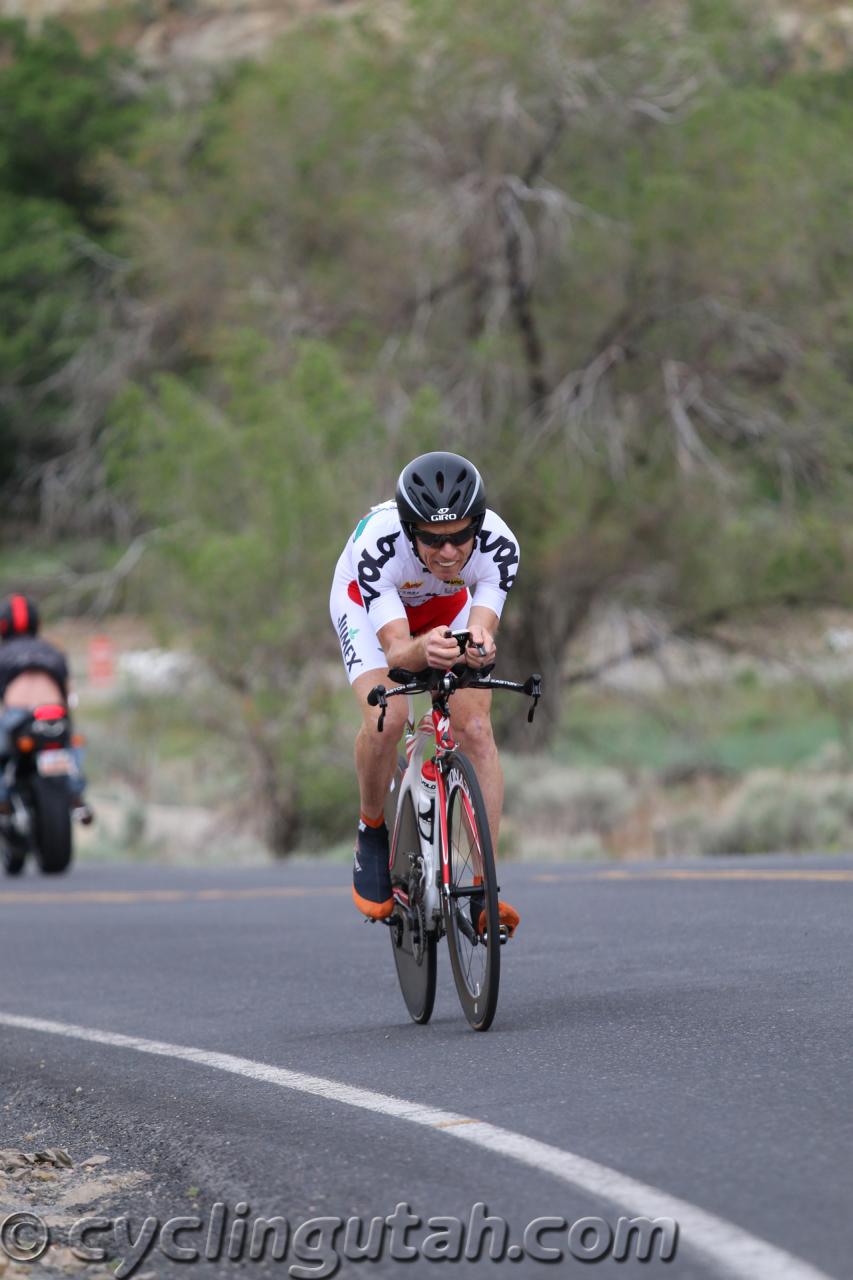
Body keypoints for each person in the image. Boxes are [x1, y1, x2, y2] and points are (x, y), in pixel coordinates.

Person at [329, 451, 521, 931]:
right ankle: (372, 829)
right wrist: (422, 652)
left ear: (478, 525)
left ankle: (484, 887)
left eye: (460, 536)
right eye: (433, 540)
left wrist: (477, 648)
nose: (450, 551)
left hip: (445, 605)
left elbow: (481, 625)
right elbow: (395, 653)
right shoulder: (379, 545)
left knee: (475, 727)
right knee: (387, 718)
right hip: (368, 603)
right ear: (410, 529)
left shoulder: (499, 545)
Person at [0, 595, 92, 821]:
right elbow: (68, 693)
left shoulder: (3, 654)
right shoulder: (53, 651)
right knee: (70, 746)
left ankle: (2, 798)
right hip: (54, 714)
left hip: (19, 716)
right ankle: (76, 795)